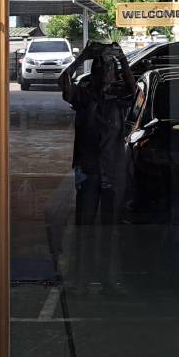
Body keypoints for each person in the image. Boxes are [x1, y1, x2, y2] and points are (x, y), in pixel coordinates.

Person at [59, 42, 136, 291]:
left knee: (111, 228)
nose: (106, 73)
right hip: (89, 168)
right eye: (101, 68)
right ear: (94, 72)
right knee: (85, 226)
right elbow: (63, 82)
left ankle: (107, 278)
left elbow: (133, 90)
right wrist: (81, 58)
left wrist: (122, 60)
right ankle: (81, 278)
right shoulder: (84, 95)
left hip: (112, 168)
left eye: (110, 69)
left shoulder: (119, 98)